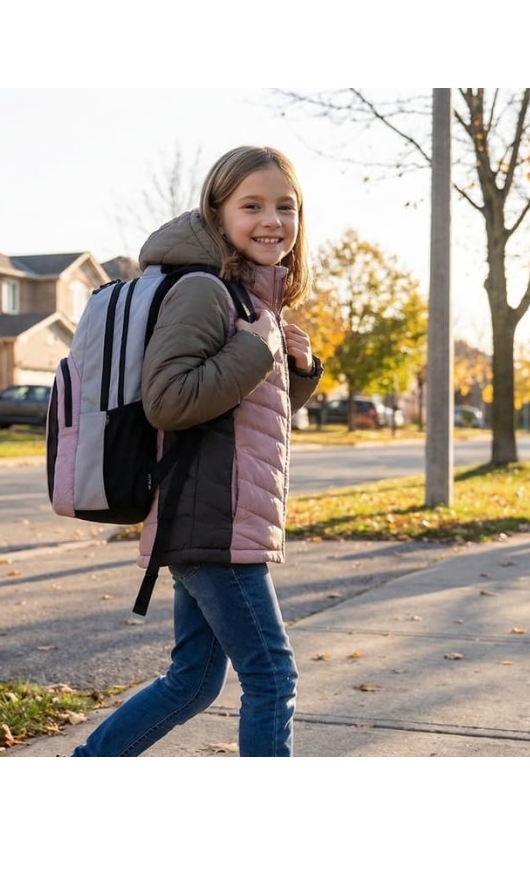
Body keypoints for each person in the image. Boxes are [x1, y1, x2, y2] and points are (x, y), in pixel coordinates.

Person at [71, 146, 322, 757]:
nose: (272, 221)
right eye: (252, 206)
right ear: (217, 213)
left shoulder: (252, 302)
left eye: (285, 207)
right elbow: (169, 402)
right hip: (210, 519)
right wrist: (256, 352)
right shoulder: (204, 292)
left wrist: (300, 367)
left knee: (194, 681)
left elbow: (247, 417)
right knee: (271, 676)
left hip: (215, 517)